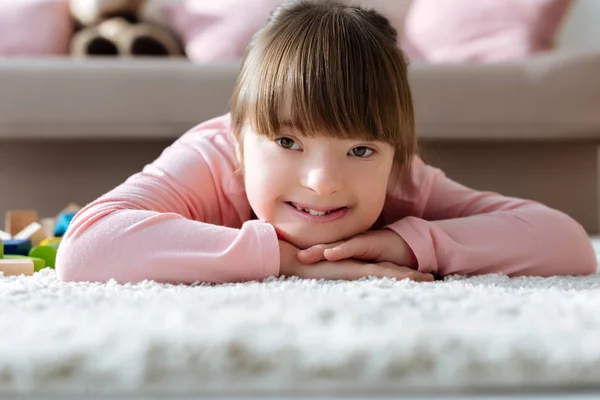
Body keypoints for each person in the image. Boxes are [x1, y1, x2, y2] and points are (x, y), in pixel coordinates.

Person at [55, 0, 596, 284]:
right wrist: (284, 260)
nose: (323, 182)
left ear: (393, 156)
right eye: (288, 141)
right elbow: (87, 247)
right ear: (241, 139)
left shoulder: (403, 180)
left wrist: (406, 244)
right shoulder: (213, 153)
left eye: (360, 150)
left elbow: (567, 243)